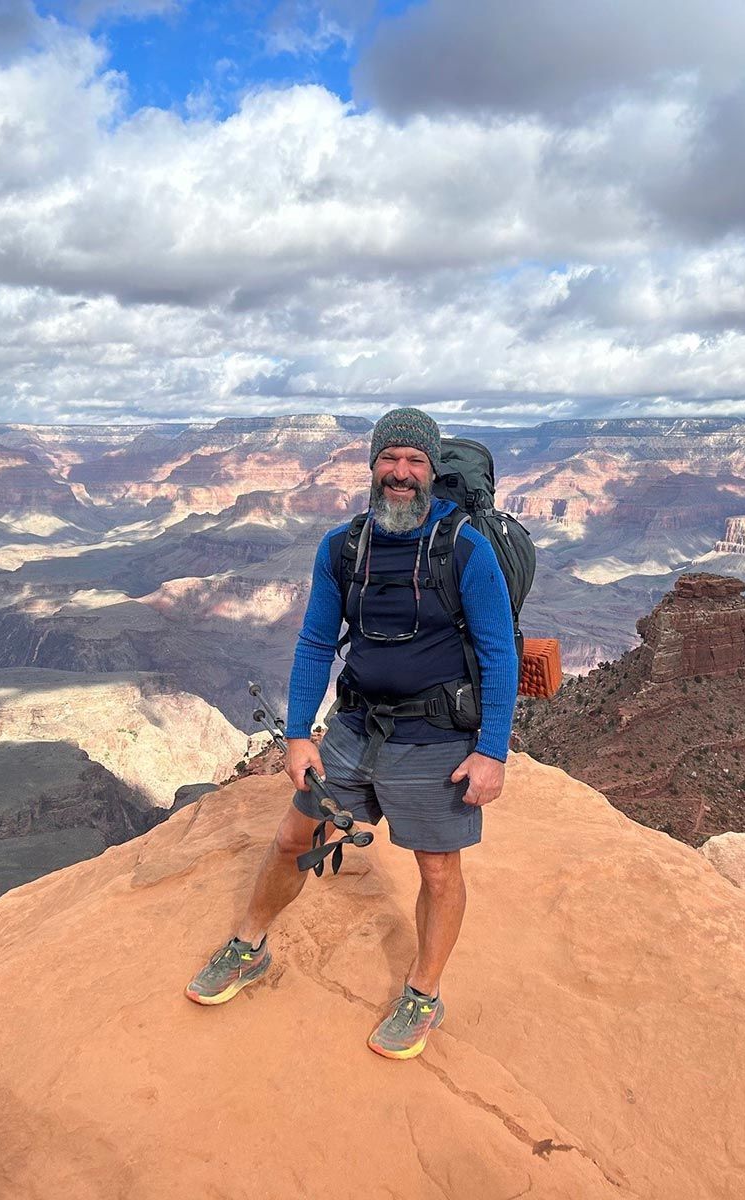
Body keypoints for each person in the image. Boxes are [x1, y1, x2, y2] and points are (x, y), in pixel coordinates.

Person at [185, 407, 519, 1060]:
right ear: (372, 465)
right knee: (292, 837)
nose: (400, 471)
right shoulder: (341, 546)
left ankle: (423, 991)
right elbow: (315, 642)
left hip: (436, 733)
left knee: (439, 871)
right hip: (357, 726)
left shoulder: (467, 551)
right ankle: (248, 946)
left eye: (414, 460)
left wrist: (491, 750)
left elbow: (499, 651)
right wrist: (299, 733)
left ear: (431, 470)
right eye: (389, 458)